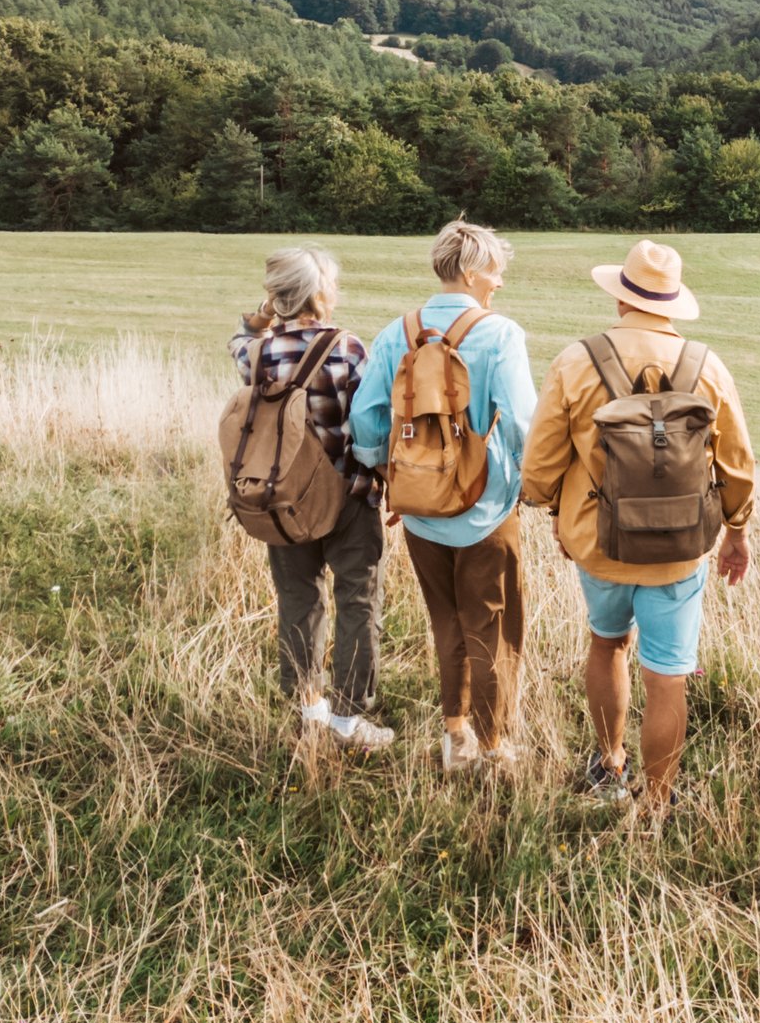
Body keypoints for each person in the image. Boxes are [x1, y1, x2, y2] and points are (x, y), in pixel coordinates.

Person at [521, 240, 756, 810]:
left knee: (607, 646)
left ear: (621, 296)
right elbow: (737, 465)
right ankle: (657, 799)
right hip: (679, 550)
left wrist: (558, 511)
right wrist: (738, 531)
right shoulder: (707, 365)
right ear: (672, 302)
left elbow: (538, 469)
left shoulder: (576, 360)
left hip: (599, 543)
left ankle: (609, 765)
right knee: (668, 677)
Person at [351, 219, 539, 771]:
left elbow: (366, 419)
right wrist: (537, 487)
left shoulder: (396, 332)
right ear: (474, 271)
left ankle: (455, 738)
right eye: (496, 271)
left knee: (447, 622)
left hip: (418, 510)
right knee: (493, 627)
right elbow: (526, 423)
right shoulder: (500, 334)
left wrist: (387, 475)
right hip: (486, 506)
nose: (500, 283)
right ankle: (496, 746)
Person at [229, 245, 395, 752]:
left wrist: (257, 319)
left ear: (277, 295)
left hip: (280, 501)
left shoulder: (255, 353)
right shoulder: (346, 348)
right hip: (346, 496)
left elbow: (239, 338)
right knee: (357, 599)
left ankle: (308, 708)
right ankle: (348, 718)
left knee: (298, 600)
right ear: (319, 293)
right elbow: (369, 424)